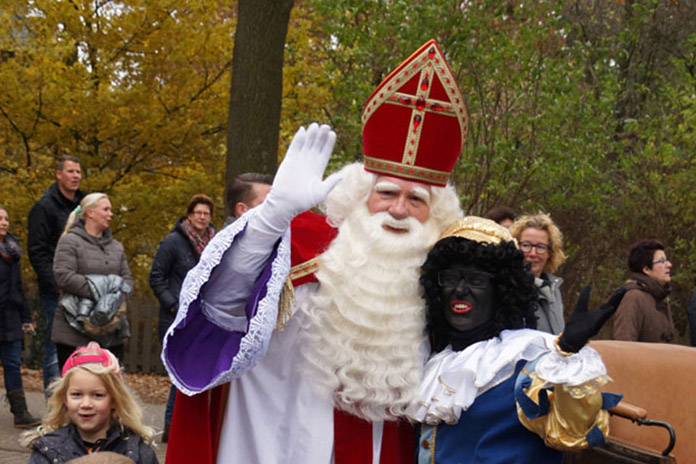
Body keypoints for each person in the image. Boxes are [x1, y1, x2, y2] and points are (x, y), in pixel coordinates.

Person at [162, 39, 467, 463]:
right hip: (269, 446)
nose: (399, 210)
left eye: (416, 200)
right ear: (360, 195)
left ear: (435, 213)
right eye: (387, 192)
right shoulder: (294, 244)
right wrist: (269, 220)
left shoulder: (442, 282)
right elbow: (217, 316)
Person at [411, 217, 625, 463]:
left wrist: (568, 353)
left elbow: (571, 433)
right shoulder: (435, 362)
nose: (460, 289)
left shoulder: (526, 360)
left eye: (476, 280)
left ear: (501, 291)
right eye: (451, 279)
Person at [149, 194, 217, 442]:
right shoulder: (173, 242)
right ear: (189, 215)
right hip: (176, 318)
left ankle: (187, 428)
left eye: (206, 213)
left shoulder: (216, 243)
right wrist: (173, 305)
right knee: (180, 374)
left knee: (196, 373)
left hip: (204, 318)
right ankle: (171, 427)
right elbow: (156, 277)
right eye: (197, 212)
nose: (202, 217)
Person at [22, 342, 157, 464]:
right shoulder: (48, 450)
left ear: (115, 400)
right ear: (64, 398)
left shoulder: (137, 452)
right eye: (77, 395)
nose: (86, 404)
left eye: (97, 395)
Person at [52, 193, 133, 368]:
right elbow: (63, 276)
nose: (111, 214)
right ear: (89, 213)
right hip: (72, 329)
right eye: (106, 209)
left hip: (112, 331)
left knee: (110, 389)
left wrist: (112, 301)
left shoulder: (117, 247)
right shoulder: (69, 241)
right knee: (74, 388)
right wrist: (102, 292)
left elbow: (127, 281)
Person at [28, 155, 85, 392]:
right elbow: (37, 251)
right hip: (57, 291)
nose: (75, 176)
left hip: (83, 288)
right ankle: (53, 409)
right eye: (70, 171)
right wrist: (55, 283)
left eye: (78, 172)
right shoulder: (45, 207)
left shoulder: (85, 205)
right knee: (55, 348)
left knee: (80, 349)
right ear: (58, 174)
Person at [0, 206, 41, 428]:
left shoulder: (12, 251)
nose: (4, 222)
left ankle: (20, 412)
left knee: (13, 364)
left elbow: (17, 287)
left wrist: (26, 317)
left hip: (11, 317)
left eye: (6, 218)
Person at [510, 212, 567, 334]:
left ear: (549, 252)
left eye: (540, 247)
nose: (533, 253)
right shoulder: (508, 289)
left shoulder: (554, 289)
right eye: (526, 245)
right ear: (515, 247)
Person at [612, 239, 674, 342]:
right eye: (662, 261)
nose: (669, 265)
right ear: (647, 269)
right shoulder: (633, 298)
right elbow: (623, 344)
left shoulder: (661, 299)